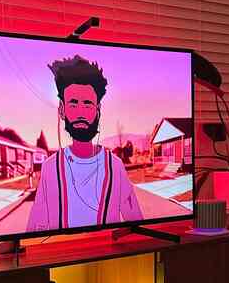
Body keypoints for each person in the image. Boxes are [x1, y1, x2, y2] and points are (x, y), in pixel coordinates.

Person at [26, 55, 143, 232]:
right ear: (62, 110)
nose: (80, 113)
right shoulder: (50, 168)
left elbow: (136, 223)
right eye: (73, 103)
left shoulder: (115, 166)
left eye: (87, 103)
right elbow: (36, 227)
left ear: (98, 110)